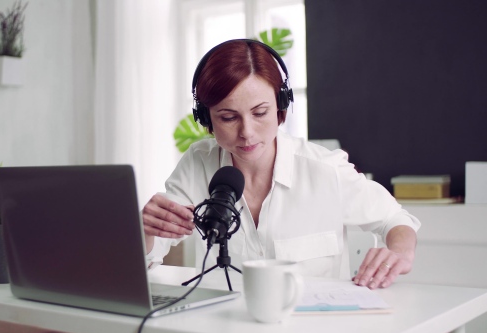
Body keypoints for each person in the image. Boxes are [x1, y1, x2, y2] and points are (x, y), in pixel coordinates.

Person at [142, 39, 420, 290]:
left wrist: (398, 253)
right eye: (228, 117)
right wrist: (146, 231)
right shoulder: (197, 164)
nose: (247, 132)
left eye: (260, 112)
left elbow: (395, 220)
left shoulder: (325, 170)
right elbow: (148, 257)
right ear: (206, 118)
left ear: (280, 107)